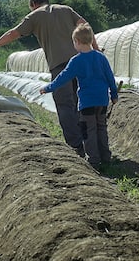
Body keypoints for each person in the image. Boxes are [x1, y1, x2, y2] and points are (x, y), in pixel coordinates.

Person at [0, 0, 96, 154]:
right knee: (82, 103)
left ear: (33, 5)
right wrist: (96, 51)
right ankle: (91, 142)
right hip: (82, 63)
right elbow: (86, 26)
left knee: (65, 105)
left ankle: (77, 146)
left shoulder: (34, 16)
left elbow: (13, 33)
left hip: (60, 67)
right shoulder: (66, 9)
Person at [39, 23, 118, 168]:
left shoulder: (76, 61)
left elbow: (62, 78)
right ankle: (106, 156)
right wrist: (114, 94)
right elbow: (110, 77)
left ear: (77, 42)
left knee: (88, 131)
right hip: (102, 100)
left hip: (87, 102)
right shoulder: (101, 58)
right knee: (101, 127)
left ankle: (94, 160)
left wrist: (48, 88)